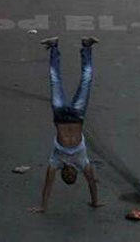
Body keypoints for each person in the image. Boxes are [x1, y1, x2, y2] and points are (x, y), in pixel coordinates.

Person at [29, 36, 104, 213]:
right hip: (77, 115)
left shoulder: (55, 160)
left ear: (62, 173)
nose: (70, 173)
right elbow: (91, 182)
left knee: (55, 79)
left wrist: (43, 206)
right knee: (87, 79)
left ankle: (54, 47)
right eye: (72, 175)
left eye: (66, 176)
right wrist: (95, 202)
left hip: (60, 115)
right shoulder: (81, 161)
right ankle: (86, 47)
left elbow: (48, 185)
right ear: (75, 172)